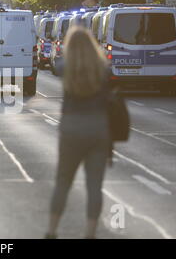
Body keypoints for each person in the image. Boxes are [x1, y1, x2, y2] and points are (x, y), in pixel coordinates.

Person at [46, 27, 112, 239]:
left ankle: (52, 230)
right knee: (94, 186)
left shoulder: (65, 67)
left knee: (63, 182)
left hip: (71, 128)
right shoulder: (103, 69)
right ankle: (90, 233)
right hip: (98, 128)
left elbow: (56, 63)